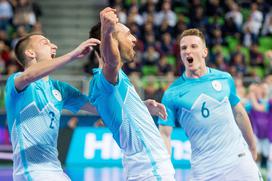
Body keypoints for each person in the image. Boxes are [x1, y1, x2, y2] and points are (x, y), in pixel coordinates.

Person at [158, 28, 262, 181]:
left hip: (238, 160)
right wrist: (164, 170)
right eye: (184, 48)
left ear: (204, 52)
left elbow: (239, 114)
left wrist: (252, 146)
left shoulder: (224, 79)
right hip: (204, 169)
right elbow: (165, 135)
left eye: (194, 46)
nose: (188, 51)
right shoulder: (172, 94)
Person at [89, 7, 175, 180]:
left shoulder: (114, 80)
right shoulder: (106, 78)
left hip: (146, 172)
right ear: (111, 39)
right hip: (152, 172)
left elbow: (117, 112)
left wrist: (142, 107)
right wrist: (106, 29)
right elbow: (110, 62)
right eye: (127, 34)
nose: (134, 39)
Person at [5, 33, 100, 181]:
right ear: (30, 53)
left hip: (56, 171)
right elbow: (28, 76)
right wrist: (72, 55)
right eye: (45, 43)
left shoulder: (60, 89)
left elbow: (98, 107)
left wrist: (140, 107)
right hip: (31, 171)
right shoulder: (16, 82)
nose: (54, 46)